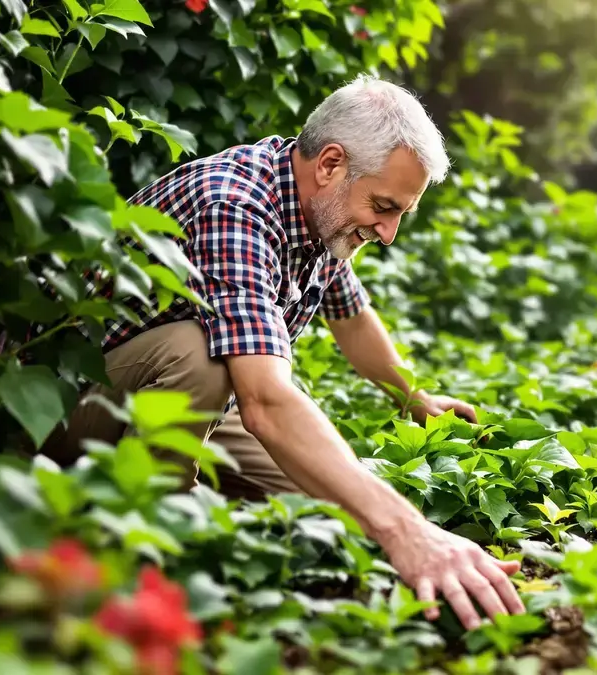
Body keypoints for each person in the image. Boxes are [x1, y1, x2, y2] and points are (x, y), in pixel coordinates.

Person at [39, 74, 525, 630]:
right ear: (331, 163)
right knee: (202, 353)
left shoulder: (322, 210)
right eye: (384, 206)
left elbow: (350, 316)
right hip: (55, 404)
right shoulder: (236, 207)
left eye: (399, 215)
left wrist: (414, 397)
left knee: (336, 500)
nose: (389, 233)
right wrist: (408, 531)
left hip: (159, 397)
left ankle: (198, 507)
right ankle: (145, 548)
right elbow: (266, 401)